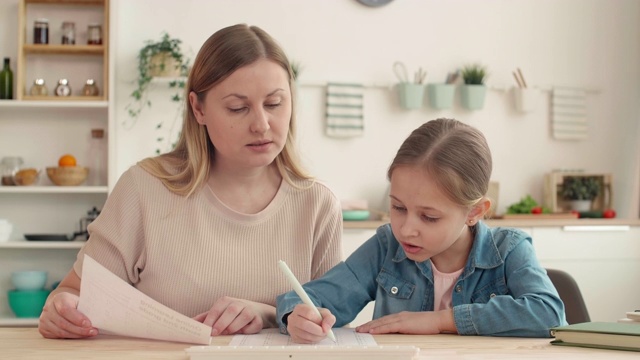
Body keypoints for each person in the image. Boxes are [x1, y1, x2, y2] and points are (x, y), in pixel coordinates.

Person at [38, 24, 343, 339]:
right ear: (198, 109)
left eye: (274, 103)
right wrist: (62, 308)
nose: (261, 124)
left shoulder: (317, 205)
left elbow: (332, 318)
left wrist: (268, 313)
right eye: (238, 108)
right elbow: (74, 292)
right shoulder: (144, 188)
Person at [276, 118, 566, 343]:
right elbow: (309, 298)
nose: (406, 229)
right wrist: (297, 316)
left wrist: (440, 321)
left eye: (428, 217)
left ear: (474, 212)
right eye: (399, 208)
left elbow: (549, 315)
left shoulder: (508, 250)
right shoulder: (386, 245)